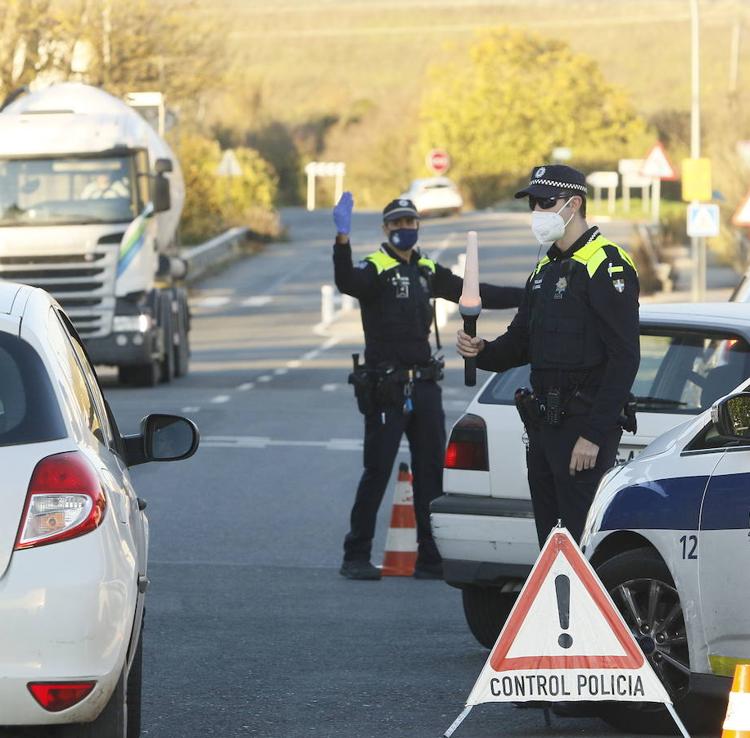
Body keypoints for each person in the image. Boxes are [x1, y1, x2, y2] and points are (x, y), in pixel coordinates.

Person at [333, 192, 524, 580]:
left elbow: (475, 293)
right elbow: (347, 281)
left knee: (431, 472)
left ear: (418, 226)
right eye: (397, 224)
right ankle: (355, 555)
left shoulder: (425, 270)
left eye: (410, 223)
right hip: (387, 387)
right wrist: (342, 240)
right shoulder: (376, 268)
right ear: (386, 229)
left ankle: (430, 558)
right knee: (378, 470)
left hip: (424, 384)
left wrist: (530, 295)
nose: (405, 229)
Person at [457, 164, 640, 549]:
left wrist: (592, 435)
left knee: (579, 547)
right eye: (533, 204)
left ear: (574, 204)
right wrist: (483, 351)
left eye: (545, 202)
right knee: (551, 545)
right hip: (544, 428)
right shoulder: (544, 268)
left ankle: (583, 612)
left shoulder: (606, 263)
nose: (537, 212)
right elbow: (521, 341)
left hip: (582, 430)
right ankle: (558, 612)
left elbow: (625, 357)